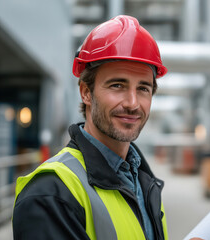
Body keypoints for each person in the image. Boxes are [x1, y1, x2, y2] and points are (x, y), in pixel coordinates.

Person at [12, 15, 168, 240]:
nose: (133, 103)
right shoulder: (50, 193)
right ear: (86, 92)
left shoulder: (143, 182)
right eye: (117, 85)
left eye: (143, 88)